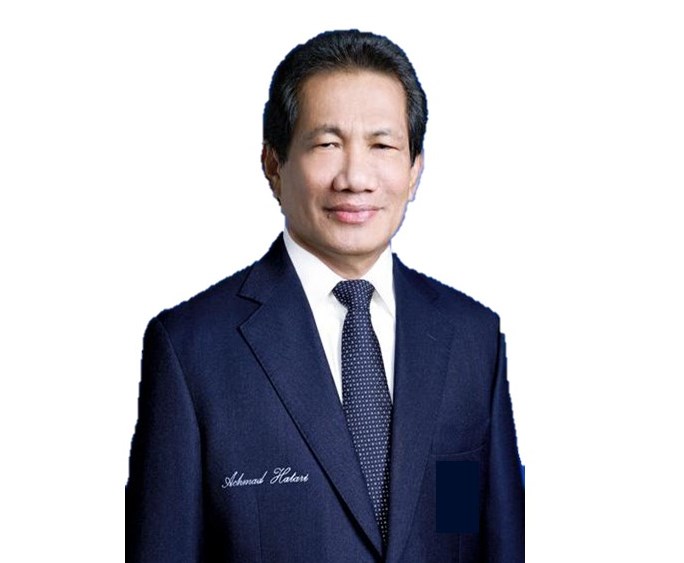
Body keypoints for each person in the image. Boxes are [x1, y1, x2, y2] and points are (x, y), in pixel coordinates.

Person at [126, 29, 524, 562]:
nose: (356, 178)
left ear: (415, 169)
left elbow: (474, 534)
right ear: (274, 164)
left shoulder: (472, 338)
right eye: (327, 144)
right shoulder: (191, 350)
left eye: (383, 145)